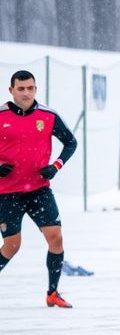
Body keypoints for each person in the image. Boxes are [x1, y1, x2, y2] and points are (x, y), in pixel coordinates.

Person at [0, 70, 78, 308]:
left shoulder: (48, 116)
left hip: (39, 190)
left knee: (56, 238)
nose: (26, 93)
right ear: (11, 90)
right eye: (21, 89)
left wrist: (56, 166)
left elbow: (71, 142)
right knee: (12, 246)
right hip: (6, 193)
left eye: (30, 88)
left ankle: (52, 293)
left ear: (36, 89)